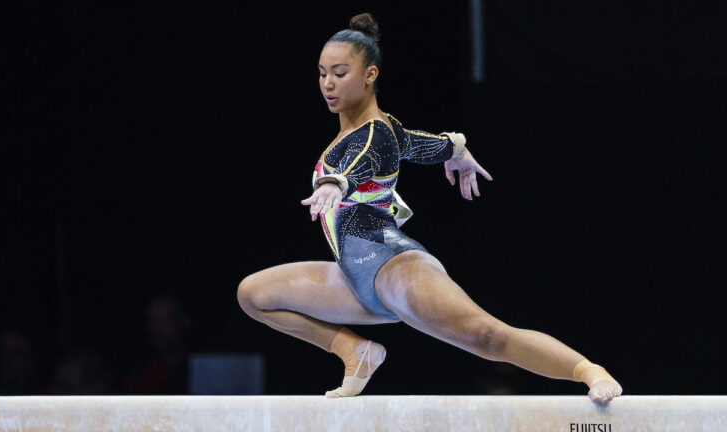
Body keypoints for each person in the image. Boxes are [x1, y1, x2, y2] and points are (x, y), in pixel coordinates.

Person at [237, 13, 622, 403]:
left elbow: (363, 160)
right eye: (322, 74)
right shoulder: (378, 128)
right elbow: (420, 144)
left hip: (395, 270)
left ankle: (587, 370)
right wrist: (456, 149)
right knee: (254, 295)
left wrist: (337, 182)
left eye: (340, 73)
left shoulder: (375, 133)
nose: (328, 84)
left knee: (486, 336)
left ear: (370, 75)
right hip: (355, 278)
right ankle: (354, 351)